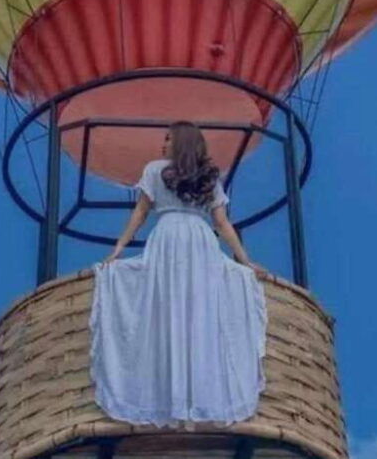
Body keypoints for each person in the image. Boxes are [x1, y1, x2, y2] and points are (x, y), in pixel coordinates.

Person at [89, 121, 267, 427]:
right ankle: (185, 394)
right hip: (198, 239)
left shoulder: (167, 171)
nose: (163, 144)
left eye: (169, 138)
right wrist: (119, 249)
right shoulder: (199, 175)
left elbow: (142, 212)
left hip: (173, 238)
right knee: (194, 309)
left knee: (174, 308)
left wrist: (245, 261)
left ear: (182, 142)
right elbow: (221, 224)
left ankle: (179, 394)